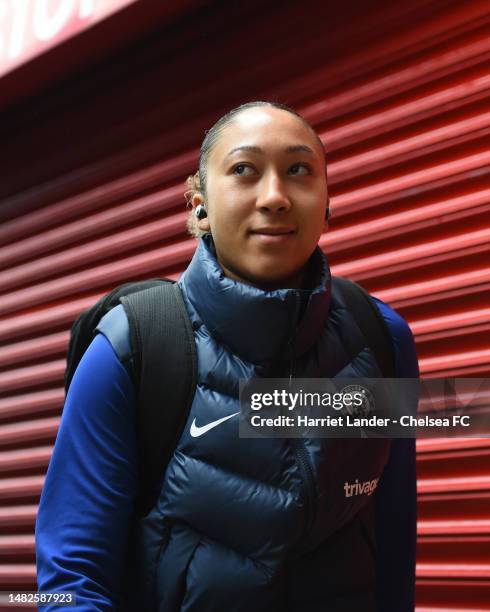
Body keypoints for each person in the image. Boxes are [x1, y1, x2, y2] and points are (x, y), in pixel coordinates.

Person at [35, 100, 419, 611]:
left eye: (299, 170)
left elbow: (393, 545)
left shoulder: (382, 338)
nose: (275, 196)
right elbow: (71, 577)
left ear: (327, 200)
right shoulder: (133, 347)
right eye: (244, 170)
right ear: (199, 204)